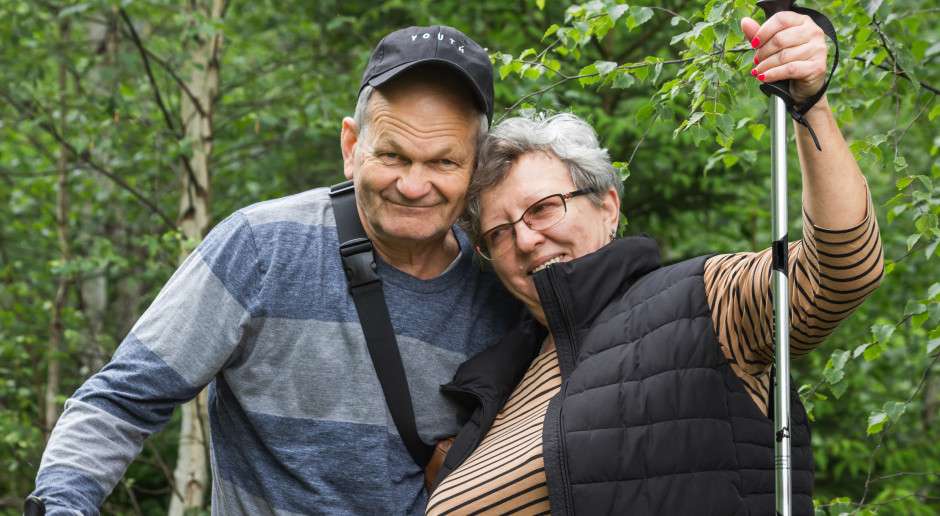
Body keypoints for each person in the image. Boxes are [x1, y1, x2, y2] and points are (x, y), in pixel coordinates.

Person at [28, 25, 526, 515]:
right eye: (392, 154)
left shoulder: (506, 283)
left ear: (478, 167)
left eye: (443, 162)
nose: (414, 186)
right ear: (352, 147)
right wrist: (62, 504)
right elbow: (120, 401)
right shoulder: (261, 248)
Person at [425, 13, 884, 515]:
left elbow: (841, 270)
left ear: (608, 206)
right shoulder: (496, 384)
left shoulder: (701, 301)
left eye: (543, 208)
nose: (527, 239)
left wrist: (810, 104)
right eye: (499, 232)